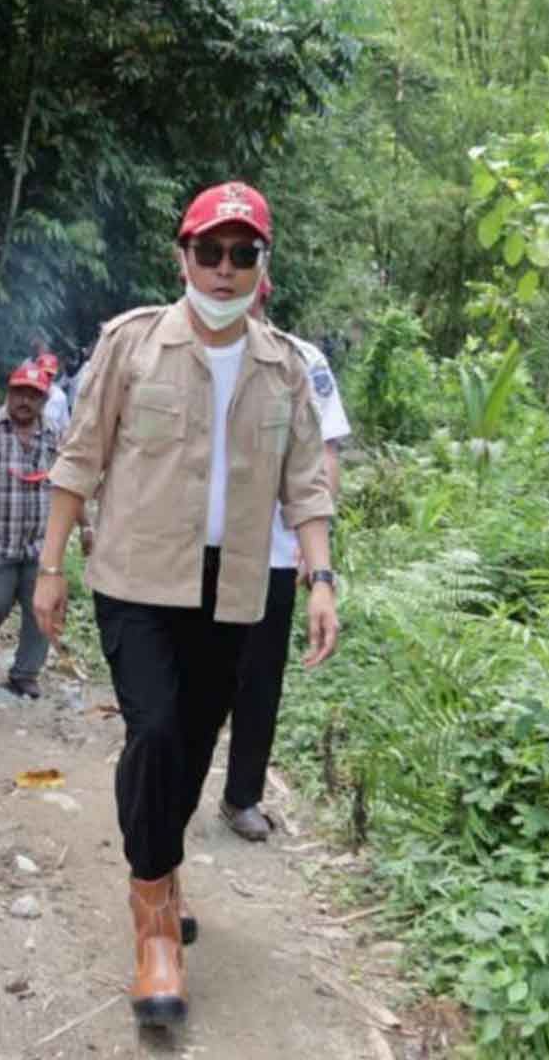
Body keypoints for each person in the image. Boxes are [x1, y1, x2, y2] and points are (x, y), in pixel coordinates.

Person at [33, 182, 338, 1028]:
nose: (226, 269)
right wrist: (49, 565)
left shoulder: (285, 367)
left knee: (195, 743)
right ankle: (156, 925)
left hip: (236, 586)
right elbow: (80, 455)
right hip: (136, 579)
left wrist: (320, 579)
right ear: (183, 255)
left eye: (245, 254)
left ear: (263, 266)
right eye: (211, 250)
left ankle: (161, 866)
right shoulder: (132, 345)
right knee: (157, 729)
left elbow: (307, 485)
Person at [219, 278, 350, 842]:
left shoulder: (302, 361)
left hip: (269, 550)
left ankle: (241, 794)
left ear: (264, 295)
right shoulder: (181, 349)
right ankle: (166, 790)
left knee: (259, 679)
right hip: (189, 546)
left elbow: (325, 451)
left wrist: (309, 545)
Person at [0, 361, 88, 698]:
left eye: (33, 395)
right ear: (8, 393)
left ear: (44, 399)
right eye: (19, 393)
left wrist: (86, 526)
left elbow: (68, 486)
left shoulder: (55, 435)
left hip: (41, 545)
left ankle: (25, 673)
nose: (24, 401)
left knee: (40, 610)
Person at [35, 352, 71, 435]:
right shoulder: (26, 391)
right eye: (43, 373)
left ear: (54, 375)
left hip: (51, 443)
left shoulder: (60, 397)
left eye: (49, 374)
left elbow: (65, 428)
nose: (46, 377)